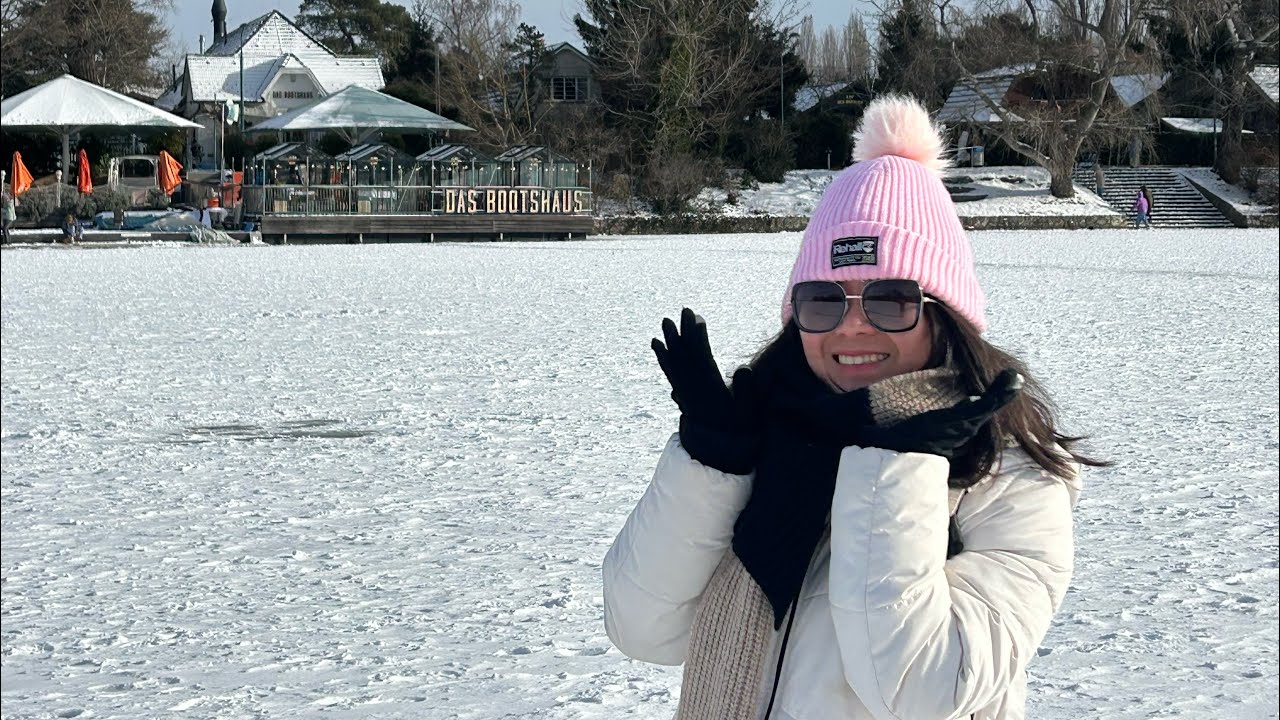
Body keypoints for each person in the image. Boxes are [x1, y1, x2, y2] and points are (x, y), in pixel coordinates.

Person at [602, 95, 1104, 720]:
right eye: (823, 300)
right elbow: (644, 629)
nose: (853, 328)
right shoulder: (765, 437)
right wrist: (711, 464)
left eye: (892, 300)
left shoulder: (1008, 478)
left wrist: (900, 471)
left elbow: (921, 688)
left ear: (947, 317)